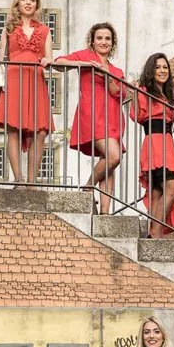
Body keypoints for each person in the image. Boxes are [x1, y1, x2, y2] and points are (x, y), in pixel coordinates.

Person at [54, 23, 127, 213]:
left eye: (107, 39)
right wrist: (86, 65)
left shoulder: (117, 70)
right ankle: (88, 186)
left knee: (110, 162)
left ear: (112, 43)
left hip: (113, 117)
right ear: (93, 42)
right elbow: (59, 62)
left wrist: (108, 76)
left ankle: (105, 211)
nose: (104, 42)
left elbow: (120, 94)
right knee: (113, 156)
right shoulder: (85, 56)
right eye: (100, 38)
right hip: (92, 113)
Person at [0, 0, 54, 184]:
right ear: (18, 3)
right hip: (13, 80)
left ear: (37, 5)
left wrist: (46, 61)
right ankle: (18, 179)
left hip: (35, 81)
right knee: (14, 129)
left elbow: (49, 58)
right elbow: (2, 58)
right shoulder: (9, 28)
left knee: (40, 130)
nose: (28, 2)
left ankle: (32, 180)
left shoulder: (45, 30)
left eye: (32, 0)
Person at [135, 53, 174, 238]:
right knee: (172, 188)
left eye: (165, 67)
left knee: (159, 192)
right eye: (158, 67)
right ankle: (155, 231)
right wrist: (136, 93)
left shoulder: (168, 97)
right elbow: (136, 116)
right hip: (154, 143)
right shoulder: (144, 91)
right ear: (151, 71)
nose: (162, 70)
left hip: (168, 145)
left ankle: (154, 233)